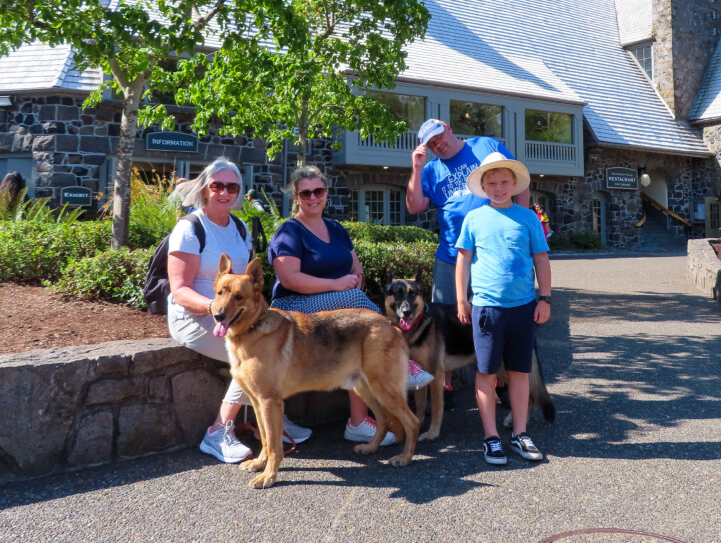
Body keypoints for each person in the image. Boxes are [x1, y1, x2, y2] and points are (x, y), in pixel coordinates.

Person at [269, 165, 434, 446]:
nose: (313, 197)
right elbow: (289, 278)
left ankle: (357, 423)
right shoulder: (289, 231)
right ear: (296, 197)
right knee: (358, 302)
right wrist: (337, 286)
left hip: (334, 305)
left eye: (318, 191)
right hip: (292, 307)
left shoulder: (336, 228)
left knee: (360, 341)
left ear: (326, 193)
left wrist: (353, 281)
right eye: (305, 192)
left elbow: (356, 270)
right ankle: (402, 362)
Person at [166, 157, 312, 464]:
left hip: (236, 317)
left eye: (232, 187)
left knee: (270, 350)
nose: (225, 192)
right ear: (205, 189)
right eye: (217, 185)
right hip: (195, 316)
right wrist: (214, 308)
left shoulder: (240, 227)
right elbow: (179, 290)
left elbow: (246, 284)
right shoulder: (190, 228)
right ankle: (218, 432)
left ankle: (269, 423)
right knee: (256, 360)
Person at [406, 119, 529, 396]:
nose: (437, 144)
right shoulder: (431, 170)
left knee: (498, 317)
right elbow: (414, 206)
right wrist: (416, 166)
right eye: (431, 143)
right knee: (446, 324)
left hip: (493, 254)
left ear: (448, 128)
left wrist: (521, 228)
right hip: (451, 256)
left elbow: (519, 187)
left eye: (439, 137)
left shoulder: (486, 145)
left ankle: (505, 383)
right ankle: (445, 387)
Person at [454, 152, 551, 465]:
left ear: (514, 184)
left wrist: (545, 299)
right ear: (483, 186)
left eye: (504, 182)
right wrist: (461, 299)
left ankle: (521, 434)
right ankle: (491, 437)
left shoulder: (528, 218)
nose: (498, 187)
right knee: (485, 373)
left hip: (523, 307)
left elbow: (541, 259)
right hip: (485, 309)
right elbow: (463, 260)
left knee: (520, 372)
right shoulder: (474, 219)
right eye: (492, 182)